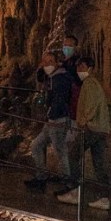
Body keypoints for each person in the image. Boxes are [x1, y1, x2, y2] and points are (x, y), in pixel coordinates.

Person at [58, 55, 111, 211]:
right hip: (101, 129)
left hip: (92, 128)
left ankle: (75, 191)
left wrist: (83, 121)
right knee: (99, 163)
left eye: (82, 67)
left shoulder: (89, 83)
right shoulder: (93, 83)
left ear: (90, 68)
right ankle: (104, 198)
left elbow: (91, 106)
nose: (79, 70)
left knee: (73, 154)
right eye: (78, 67)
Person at [25, 51, 75, 192]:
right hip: (52, 119)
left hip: (57, 119)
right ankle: (41, 176)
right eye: (45, 62)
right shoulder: (53, 77)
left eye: (50, 62)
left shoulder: (59, 79)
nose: (47, 65)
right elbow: (40, 78)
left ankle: (68, 184)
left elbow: (59, 100)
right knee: (36, 145)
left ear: (57, 63)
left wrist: (50, 115)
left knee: (60, 150)